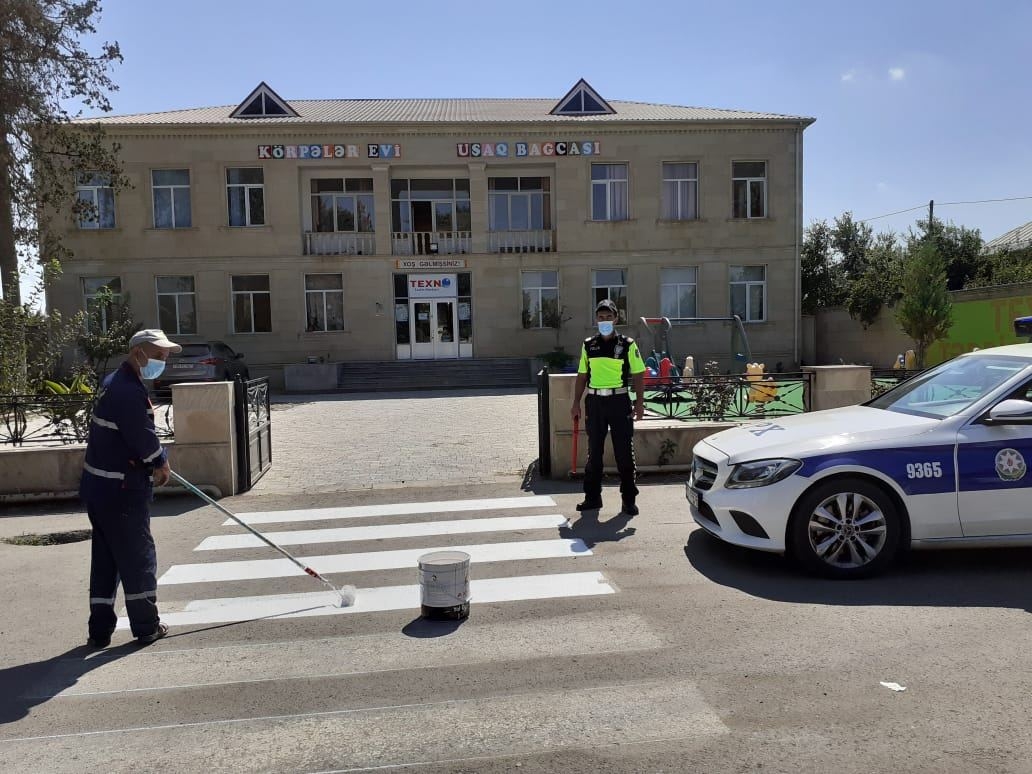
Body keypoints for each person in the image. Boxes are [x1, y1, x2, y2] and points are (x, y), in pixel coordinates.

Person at [80, 329, 181, 647]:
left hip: (101, 488)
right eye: (159, 355)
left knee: (107, 560)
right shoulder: (127, 391)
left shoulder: (115, 382)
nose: (163, 361)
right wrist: (161, 463)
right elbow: (143, 439)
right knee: (138, 558)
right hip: (121, 490)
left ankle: (100, 630)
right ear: (139, 353)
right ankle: (146, 625)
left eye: (164, 356)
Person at [570, 299, 646, 515]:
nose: (604, 320)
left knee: (624, 453)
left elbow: (639, 373)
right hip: (594, 403)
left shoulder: (628, 344)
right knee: (594, 453)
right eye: (601, 317)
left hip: (619, 401)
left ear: (616, 318)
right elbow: (582, 375)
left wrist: (640, 402)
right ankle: (592, 498)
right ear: (596, 319)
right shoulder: (588, 345)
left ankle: (628, 500)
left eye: (608, 317)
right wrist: (576, 403)